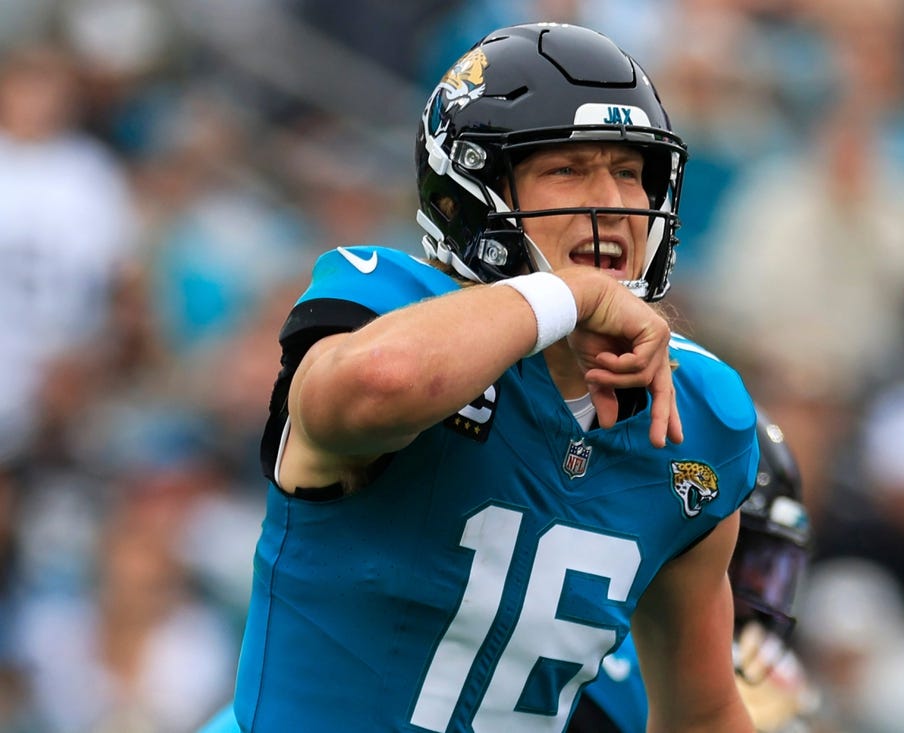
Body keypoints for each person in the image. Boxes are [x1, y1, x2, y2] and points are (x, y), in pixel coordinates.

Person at [202, 22, 760, 733]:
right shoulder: (383, 305)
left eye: (629, 172)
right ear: (474, 190)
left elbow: (703, 714)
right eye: (569, 169)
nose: (616, 202)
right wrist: (574, 295)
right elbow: (383, 379)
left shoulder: (700, 417)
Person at [568, 412, 817, 733]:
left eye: (766, 564)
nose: (756, 581)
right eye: (738, 552)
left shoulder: (769, 670)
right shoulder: (611, 661)